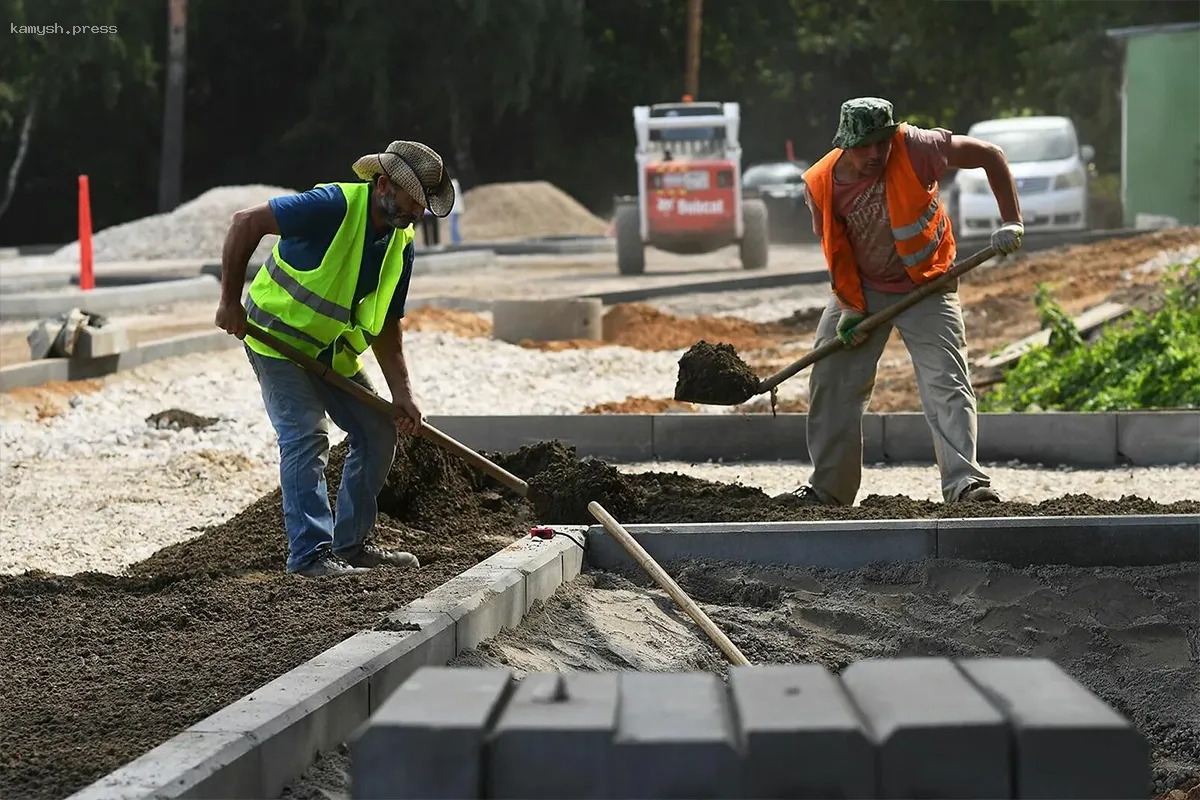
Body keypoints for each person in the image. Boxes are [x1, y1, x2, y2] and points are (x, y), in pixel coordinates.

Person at [214, 140, 456, 577]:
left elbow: (385, 324)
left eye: (425, 204)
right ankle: (309, 557)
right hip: (276, 340)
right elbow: (245, 222)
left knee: (379, 430)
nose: (419, 213)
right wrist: (230, 300)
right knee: (306, 436)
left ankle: (352, 546)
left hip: (329, 351)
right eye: (414, 200)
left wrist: (402, 394)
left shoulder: (400, 242)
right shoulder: (331, 205)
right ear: (384, 184)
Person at [794, 97, 1025, 507]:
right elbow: (837, 251)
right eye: (866, 146)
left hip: (928, 284)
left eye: (883, 143)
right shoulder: (821, 184)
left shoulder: (917, 146)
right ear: (845, 143)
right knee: (831, 383)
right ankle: (828, 491)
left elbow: (991, 155)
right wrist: (849, 308)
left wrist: (1011, 219)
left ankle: (966, 486)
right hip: (863, 291)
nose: (876, 154)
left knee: (946, 382)